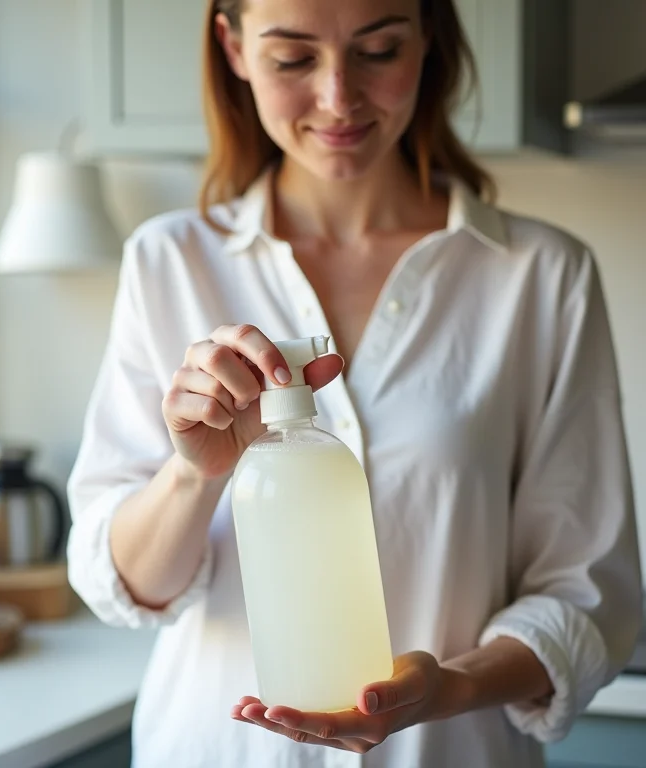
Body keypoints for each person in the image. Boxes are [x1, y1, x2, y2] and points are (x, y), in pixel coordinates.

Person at [66, 0, 643, 765]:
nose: (339, 97)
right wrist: (192, 475)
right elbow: (127, 586)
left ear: (428, 38)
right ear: (233, 47)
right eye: (294, 58)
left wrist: (447, 688)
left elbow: (585, 594)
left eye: (378, 51)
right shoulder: (168, 261)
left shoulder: (539, 276)